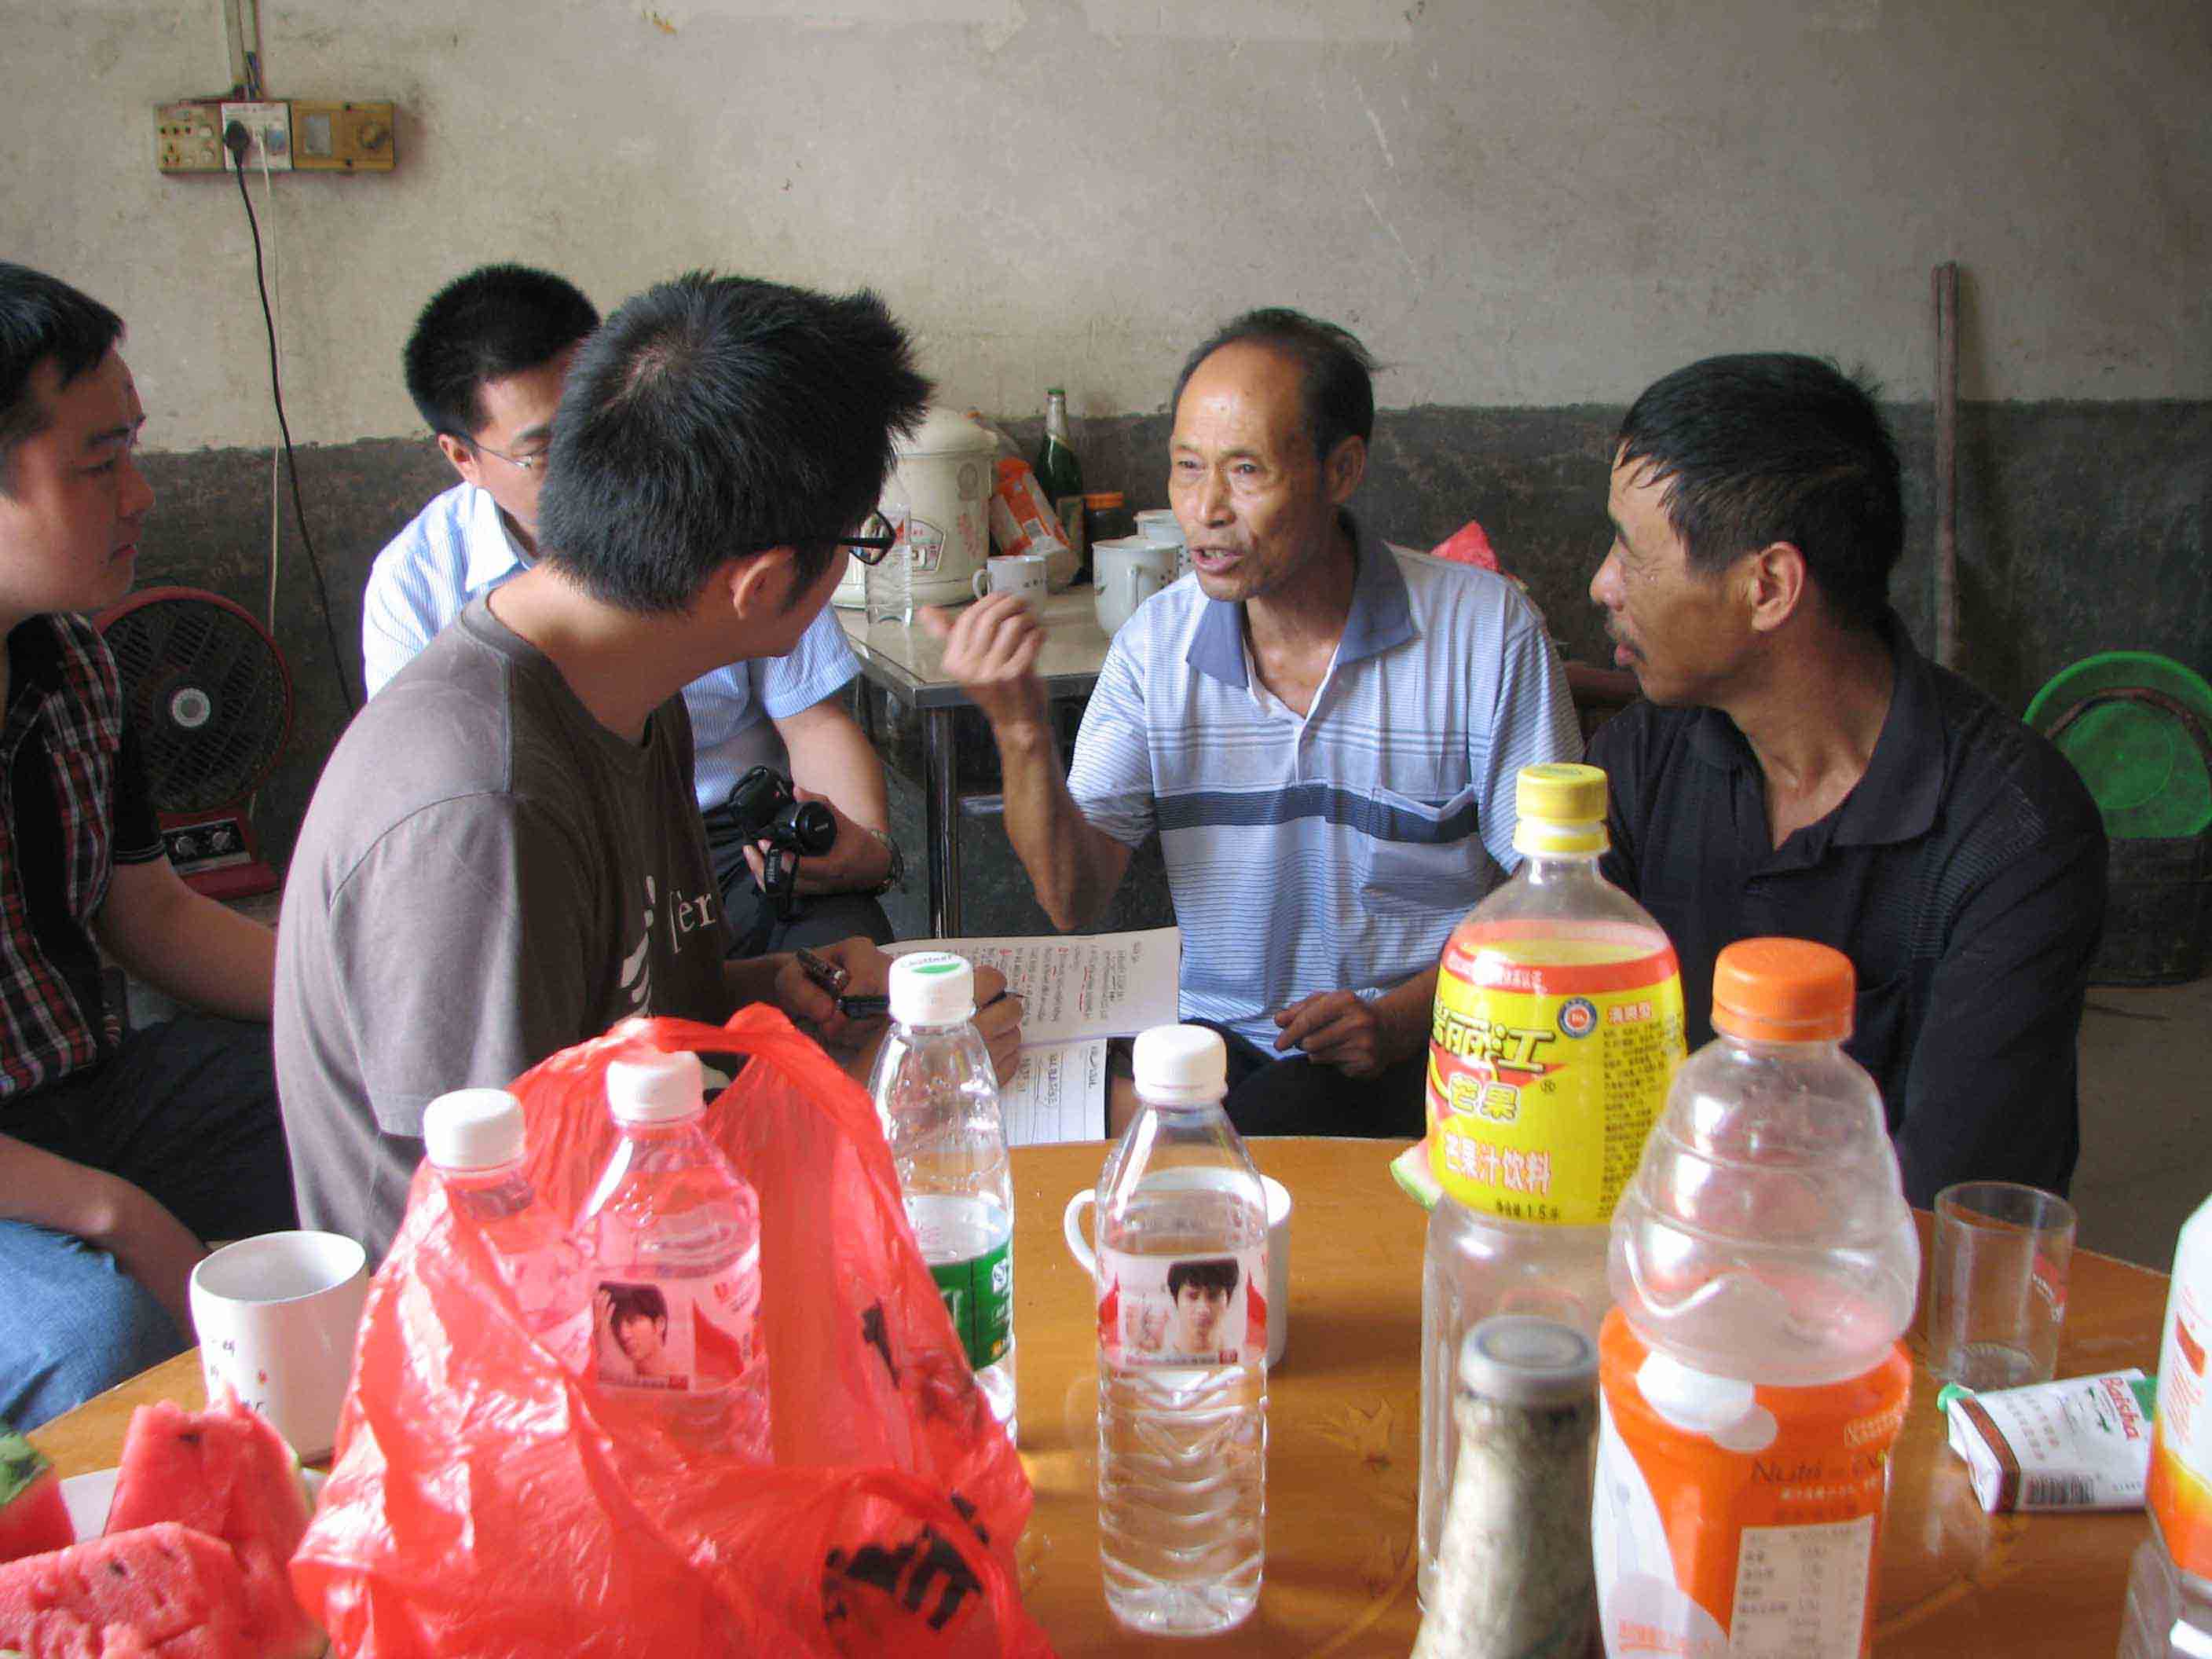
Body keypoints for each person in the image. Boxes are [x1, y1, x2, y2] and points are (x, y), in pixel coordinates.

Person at [276, 273, 1021, 1261]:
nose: (855, 561)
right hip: (518, 1323)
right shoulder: (483, 806)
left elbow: (627, 1012)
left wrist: (776, 993)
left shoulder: (628, 684)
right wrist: (881, 1093)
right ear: (760, 585)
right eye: (860, 539)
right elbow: (506, 1235)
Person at [926, 309, 1579, 1137]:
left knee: (1260, 1120)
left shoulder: (1484, 633)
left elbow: (1560, 898)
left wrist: (1404, 1017)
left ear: (1341, 470)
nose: (1205, 509)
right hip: (1218, 1051)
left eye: (1245, 471)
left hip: (1433, 1047)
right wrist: (1020, 732)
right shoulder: (1154, 646)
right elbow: (1070, 898)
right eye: (1186, 468)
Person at [1587, 352, 2107, 1207]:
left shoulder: (2013, 835)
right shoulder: (1640, 763)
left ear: (1767, 587)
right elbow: (1567, 1076)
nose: (1602, 584)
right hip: (1659, 1248)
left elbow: (1956, 1201)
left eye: (1630, 551)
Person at [359, 264, 903, 955]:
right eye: (546, 450)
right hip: (552, 869)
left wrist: (862, 854)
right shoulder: (467, 740)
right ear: (463, 457)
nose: (591, 466)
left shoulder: (657, 682)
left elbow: (813, 722)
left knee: (846, 968)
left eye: (595, 427)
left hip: (727, 840)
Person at [0, 263, 296, 1428]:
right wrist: (109, 1209)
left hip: (92, 1089)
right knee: (99, 1338)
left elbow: (151, 917)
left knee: (397, 1111)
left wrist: (363, 1007)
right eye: (98, 463)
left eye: (132, 451)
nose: (140, 496)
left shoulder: (76, 662)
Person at [1164, 1258, 1240, 1361]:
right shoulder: (1159, 1360)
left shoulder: (1243, 1361)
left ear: (1228, 1300)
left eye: (1213, 1296)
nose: (1203, 1309)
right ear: (1176, 1299)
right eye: (1192, 1296)